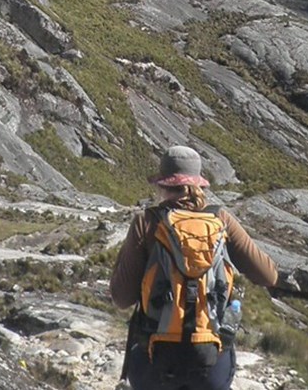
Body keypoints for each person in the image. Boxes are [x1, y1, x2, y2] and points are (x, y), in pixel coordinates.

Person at [110, 146, 278, 390]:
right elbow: (268, 275)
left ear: (162, 184)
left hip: (153, 362)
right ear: (199, 184)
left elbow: (122, 298)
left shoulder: (147, 222)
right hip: (211, 363)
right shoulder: (221, 220)